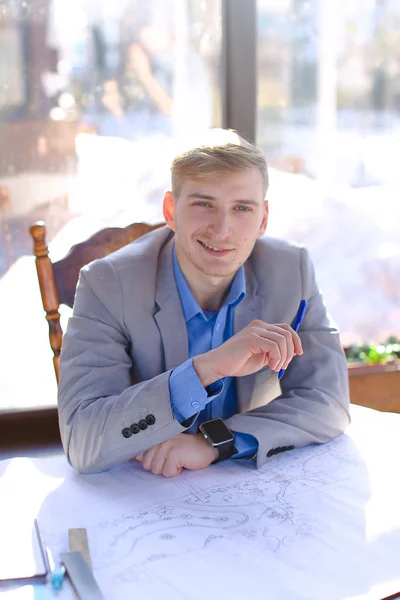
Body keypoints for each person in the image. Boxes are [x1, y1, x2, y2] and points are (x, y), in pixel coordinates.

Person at [58, 129, 350, 476]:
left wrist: (215, 442)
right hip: (143, 488)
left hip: (243, 486)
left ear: (263, 219)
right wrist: (205, 370)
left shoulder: (292, 270)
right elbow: (82, 440)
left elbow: (329, 401)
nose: (222, 229)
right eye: (203, 204)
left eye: (242, 207)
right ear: (170, 210)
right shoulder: (107, 284)